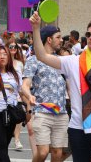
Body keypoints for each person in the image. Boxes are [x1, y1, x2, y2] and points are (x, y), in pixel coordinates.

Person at [29, 12, 91, 162]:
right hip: (79, 127)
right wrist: (36, 28)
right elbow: (42, 56)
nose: (90, 37)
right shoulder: (73, 61)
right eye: (88, 34)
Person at [21, 25, 68, 162]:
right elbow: (25, 85)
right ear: (49, 39)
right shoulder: (33, 60)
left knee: (58, 153)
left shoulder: (61, 61)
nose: (61, 40)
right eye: (58, 37)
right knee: (43, 152)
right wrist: (29, 96)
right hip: (42, 111)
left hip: (61, 112)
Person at [0, 45, 27, 162]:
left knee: (3, 147)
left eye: (4, 54)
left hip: (11, 114)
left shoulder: (16, 74)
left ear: (9, 56)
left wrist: (28, 108)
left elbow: (22, 92)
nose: (2, 57)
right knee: (2, 144)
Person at [6, 40, 26, 151]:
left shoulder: (20, 63)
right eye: (11, 46)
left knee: (18, 116)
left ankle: (17, 140)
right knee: (6, 116)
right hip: (5, 93)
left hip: (17, 92)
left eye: (15, 47)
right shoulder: (2, 61)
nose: (13, 48)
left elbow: (21, 79)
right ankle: (7, 137)